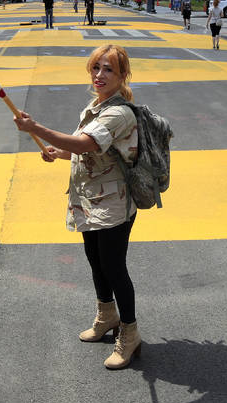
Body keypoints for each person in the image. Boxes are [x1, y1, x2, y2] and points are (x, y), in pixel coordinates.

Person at [12, 44, 142, 370]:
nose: (99, 75)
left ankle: (129, 334)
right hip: (88, 200)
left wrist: (36, 128)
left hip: (112, 204)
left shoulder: (119, 112)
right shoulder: (95, 106)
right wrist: (58, 152)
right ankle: (107, 315)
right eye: (96, 67)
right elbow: (88, 152)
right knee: (96, 263)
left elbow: (86, 143)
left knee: (114, 268)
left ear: (123, 75)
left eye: (108, 69)